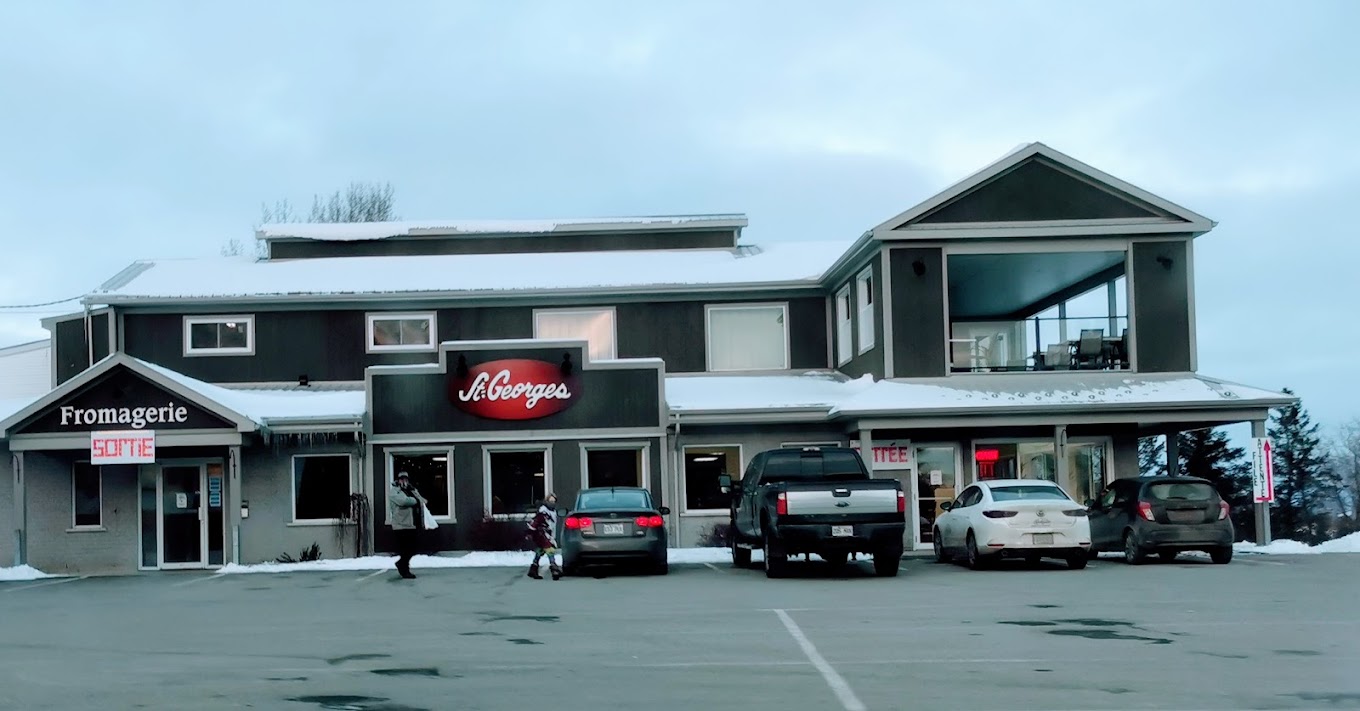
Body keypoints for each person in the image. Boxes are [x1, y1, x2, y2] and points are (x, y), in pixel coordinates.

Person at [388, 471, 427, 579]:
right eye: (402, 479)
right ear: (398, 480)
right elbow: (403, 501)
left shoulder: (412, 490)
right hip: (400, 525)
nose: (404, 481)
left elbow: (422, 500)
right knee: (406, 549)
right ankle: (405, 570)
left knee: (413, 548)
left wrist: (417, 499)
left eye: (406, 479)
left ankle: (402, 564)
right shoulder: (394, 492)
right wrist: (415, 500)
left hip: (413, 524)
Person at [526, 493, 562, 580]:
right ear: (546, 501)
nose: (552, 503)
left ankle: (533, 568)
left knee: (540, 550)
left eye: (554, 501)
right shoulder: (543, 512)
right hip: (542, 534)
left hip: (548, 534)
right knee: (550, 550)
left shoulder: (553, 512)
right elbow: (536, 522)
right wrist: (530, 532)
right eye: (550, 501)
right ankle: (554, 569)